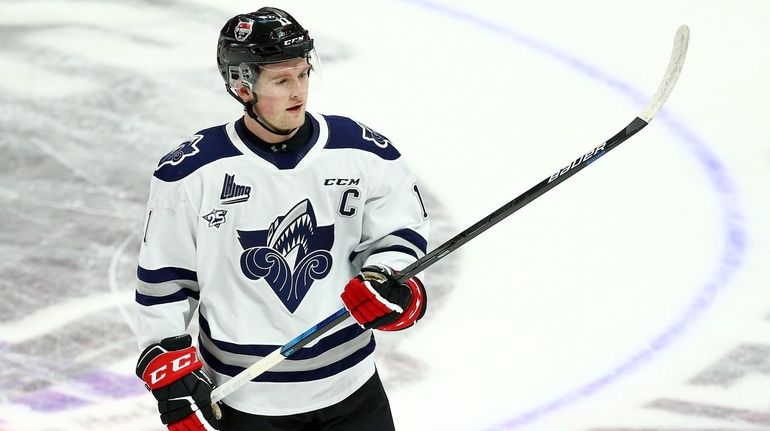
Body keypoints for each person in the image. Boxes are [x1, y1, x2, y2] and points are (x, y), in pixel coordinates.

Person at [134, 6, 430, 431]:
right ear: (242, 87)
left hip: (353, 389)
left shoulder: (361, 150)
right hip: (247, 400)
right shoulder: (191, 174)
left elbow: (399, 233)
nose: (299, 91)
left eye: (303, 74)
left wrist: (391, 280)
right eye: (282, 80)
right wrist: (172, 376)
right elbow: (166, 284)